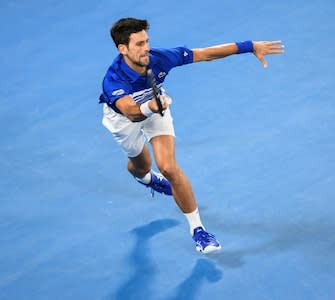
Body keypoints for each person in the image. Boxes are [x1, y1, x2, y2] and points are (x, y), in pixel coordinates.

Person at [99, 17, 284, 254]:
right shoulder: (113, 78)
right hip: (125, 120)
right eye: (138, 44)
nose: (146, 48)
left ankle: (198, 231)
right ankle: (146, 178)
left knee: (168, 167)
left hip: (158, 110)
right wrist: (150, 107)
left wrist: (249, 46)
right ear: (122, 49)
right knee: (140, 165)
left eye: (147, 41)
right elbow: (131, 112)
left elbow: (205, 54)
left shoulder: (159, 57)